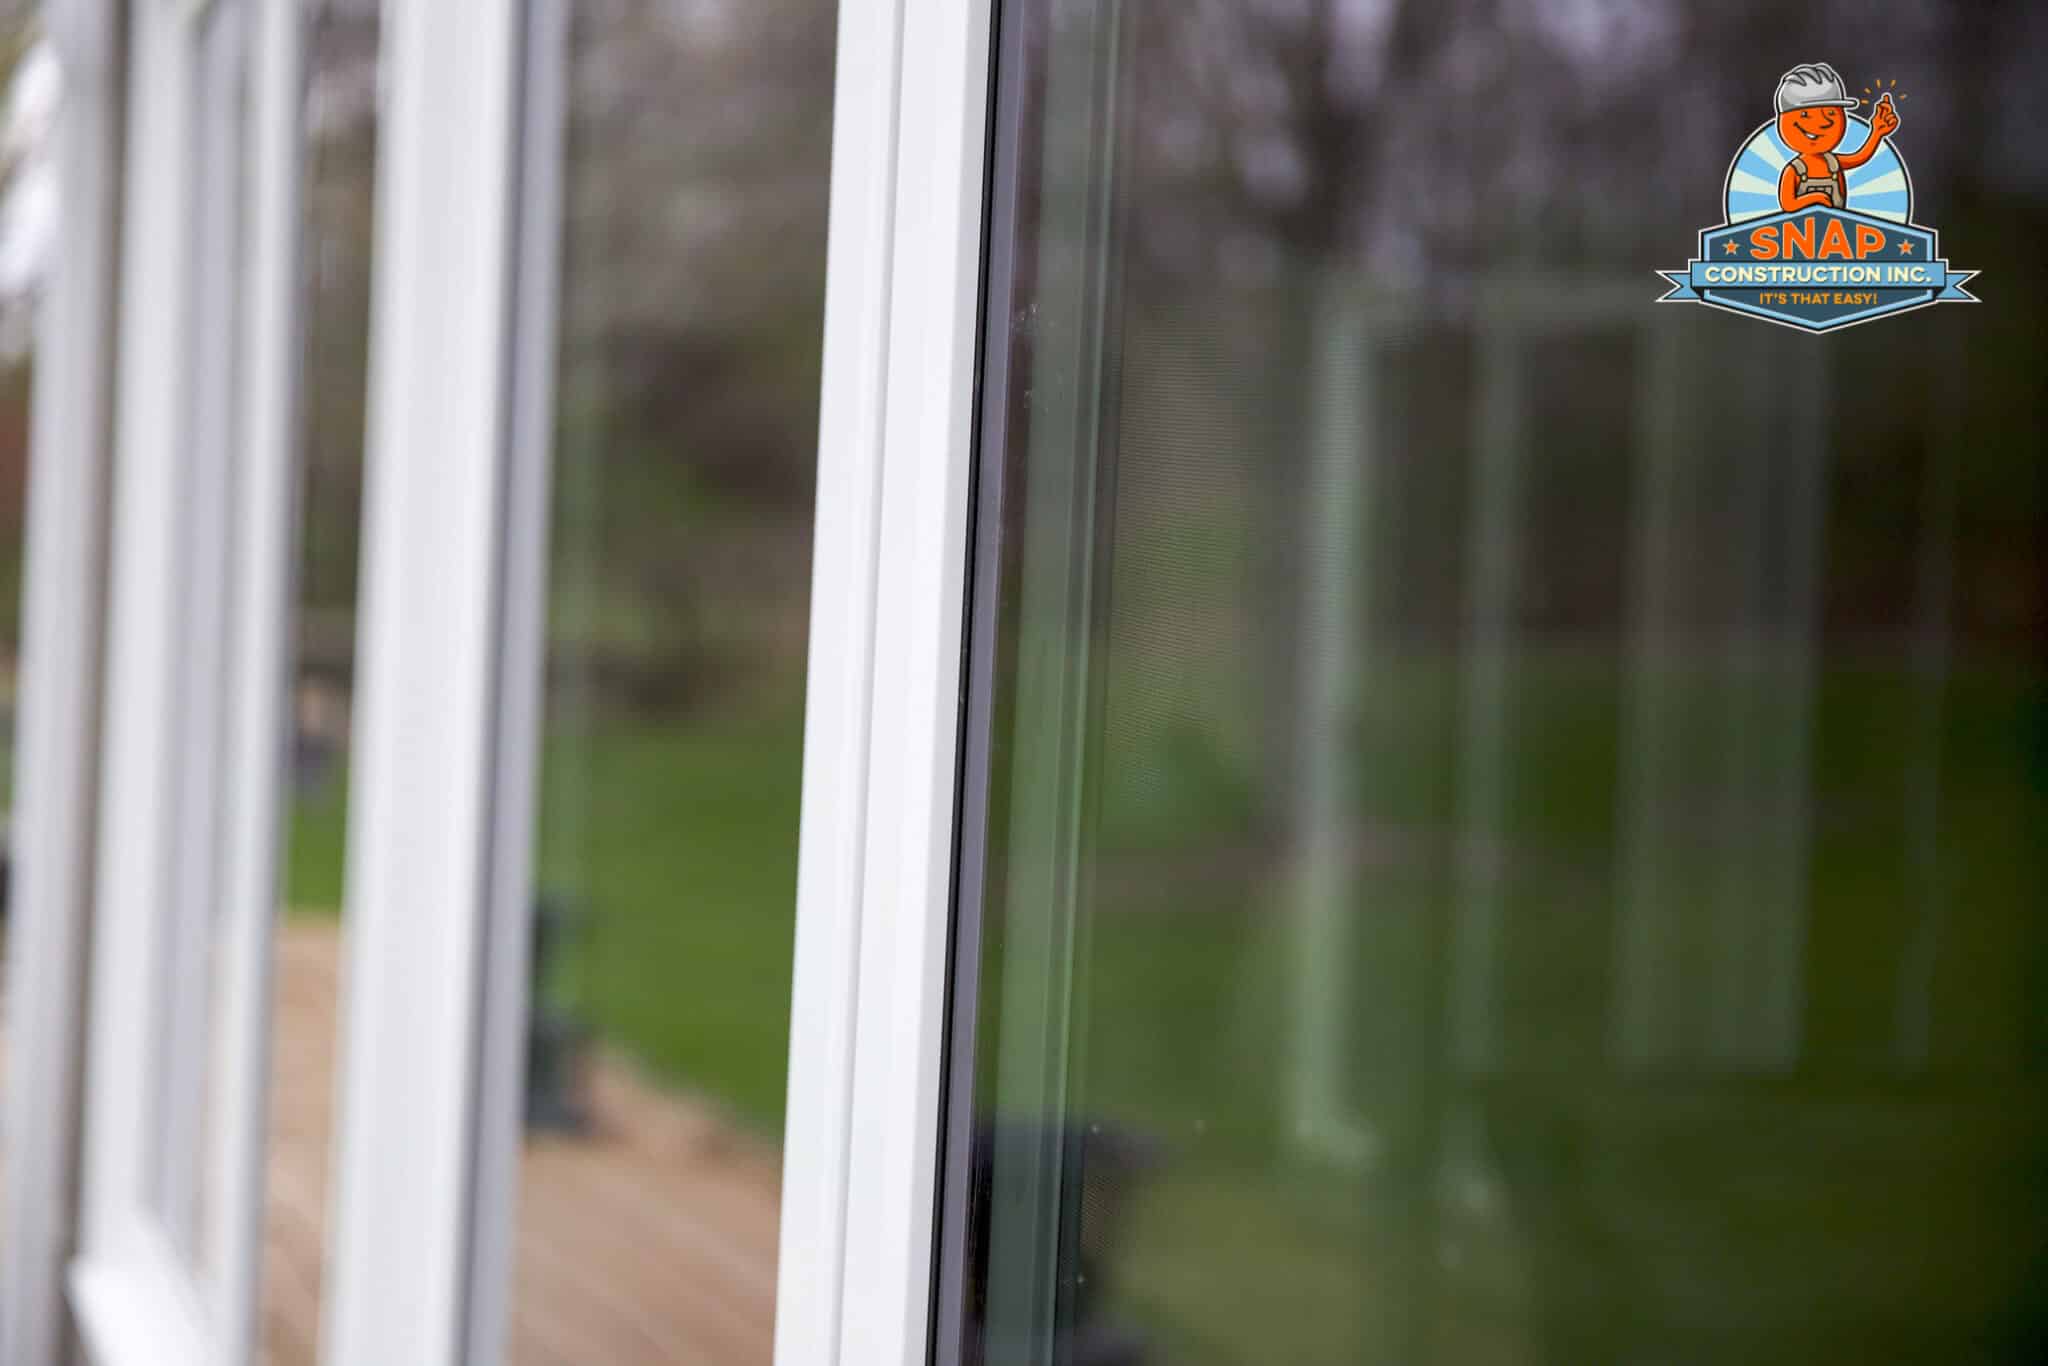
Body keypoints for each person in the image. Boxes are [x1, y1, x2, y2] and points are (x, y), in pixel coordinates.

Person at [1774, 62, 1899, 212]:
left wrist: (1877, 132)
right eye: (1805, 115)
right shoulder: (1794, 170)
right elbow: (1788, 204)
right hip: (1799, 233)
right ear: (1783, 121)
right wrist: (1816, 198)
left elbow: (1861, 157)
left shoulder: (1833, 163)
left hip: (1837, 231)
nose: (1824, 122)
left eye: (1831, 113)